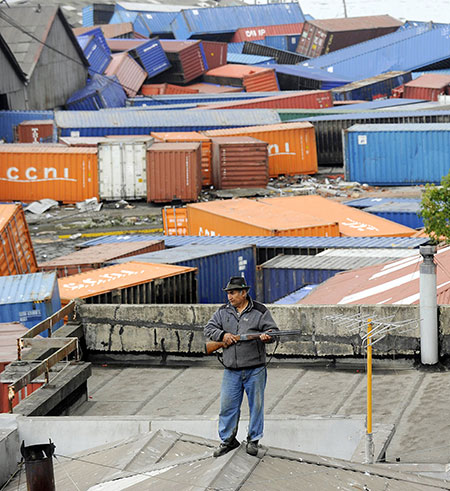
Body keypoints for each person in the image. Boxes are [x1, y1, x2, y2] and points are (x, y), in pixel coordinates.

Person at [204, 276, 279, 458]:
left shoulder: (260, 311)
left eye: (233, 293)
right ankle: (227, 441)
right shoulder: (223, 312)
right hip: (231, 370)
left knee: (256, 407)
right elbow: (209, 329)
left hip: (256, 369)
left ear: (244, 293)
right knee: (227, 407)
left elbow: (274, 332)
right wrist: (223, 336)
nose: (229, 297)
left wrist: (267, 336)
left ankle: (253, 440)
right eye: (229, 293)